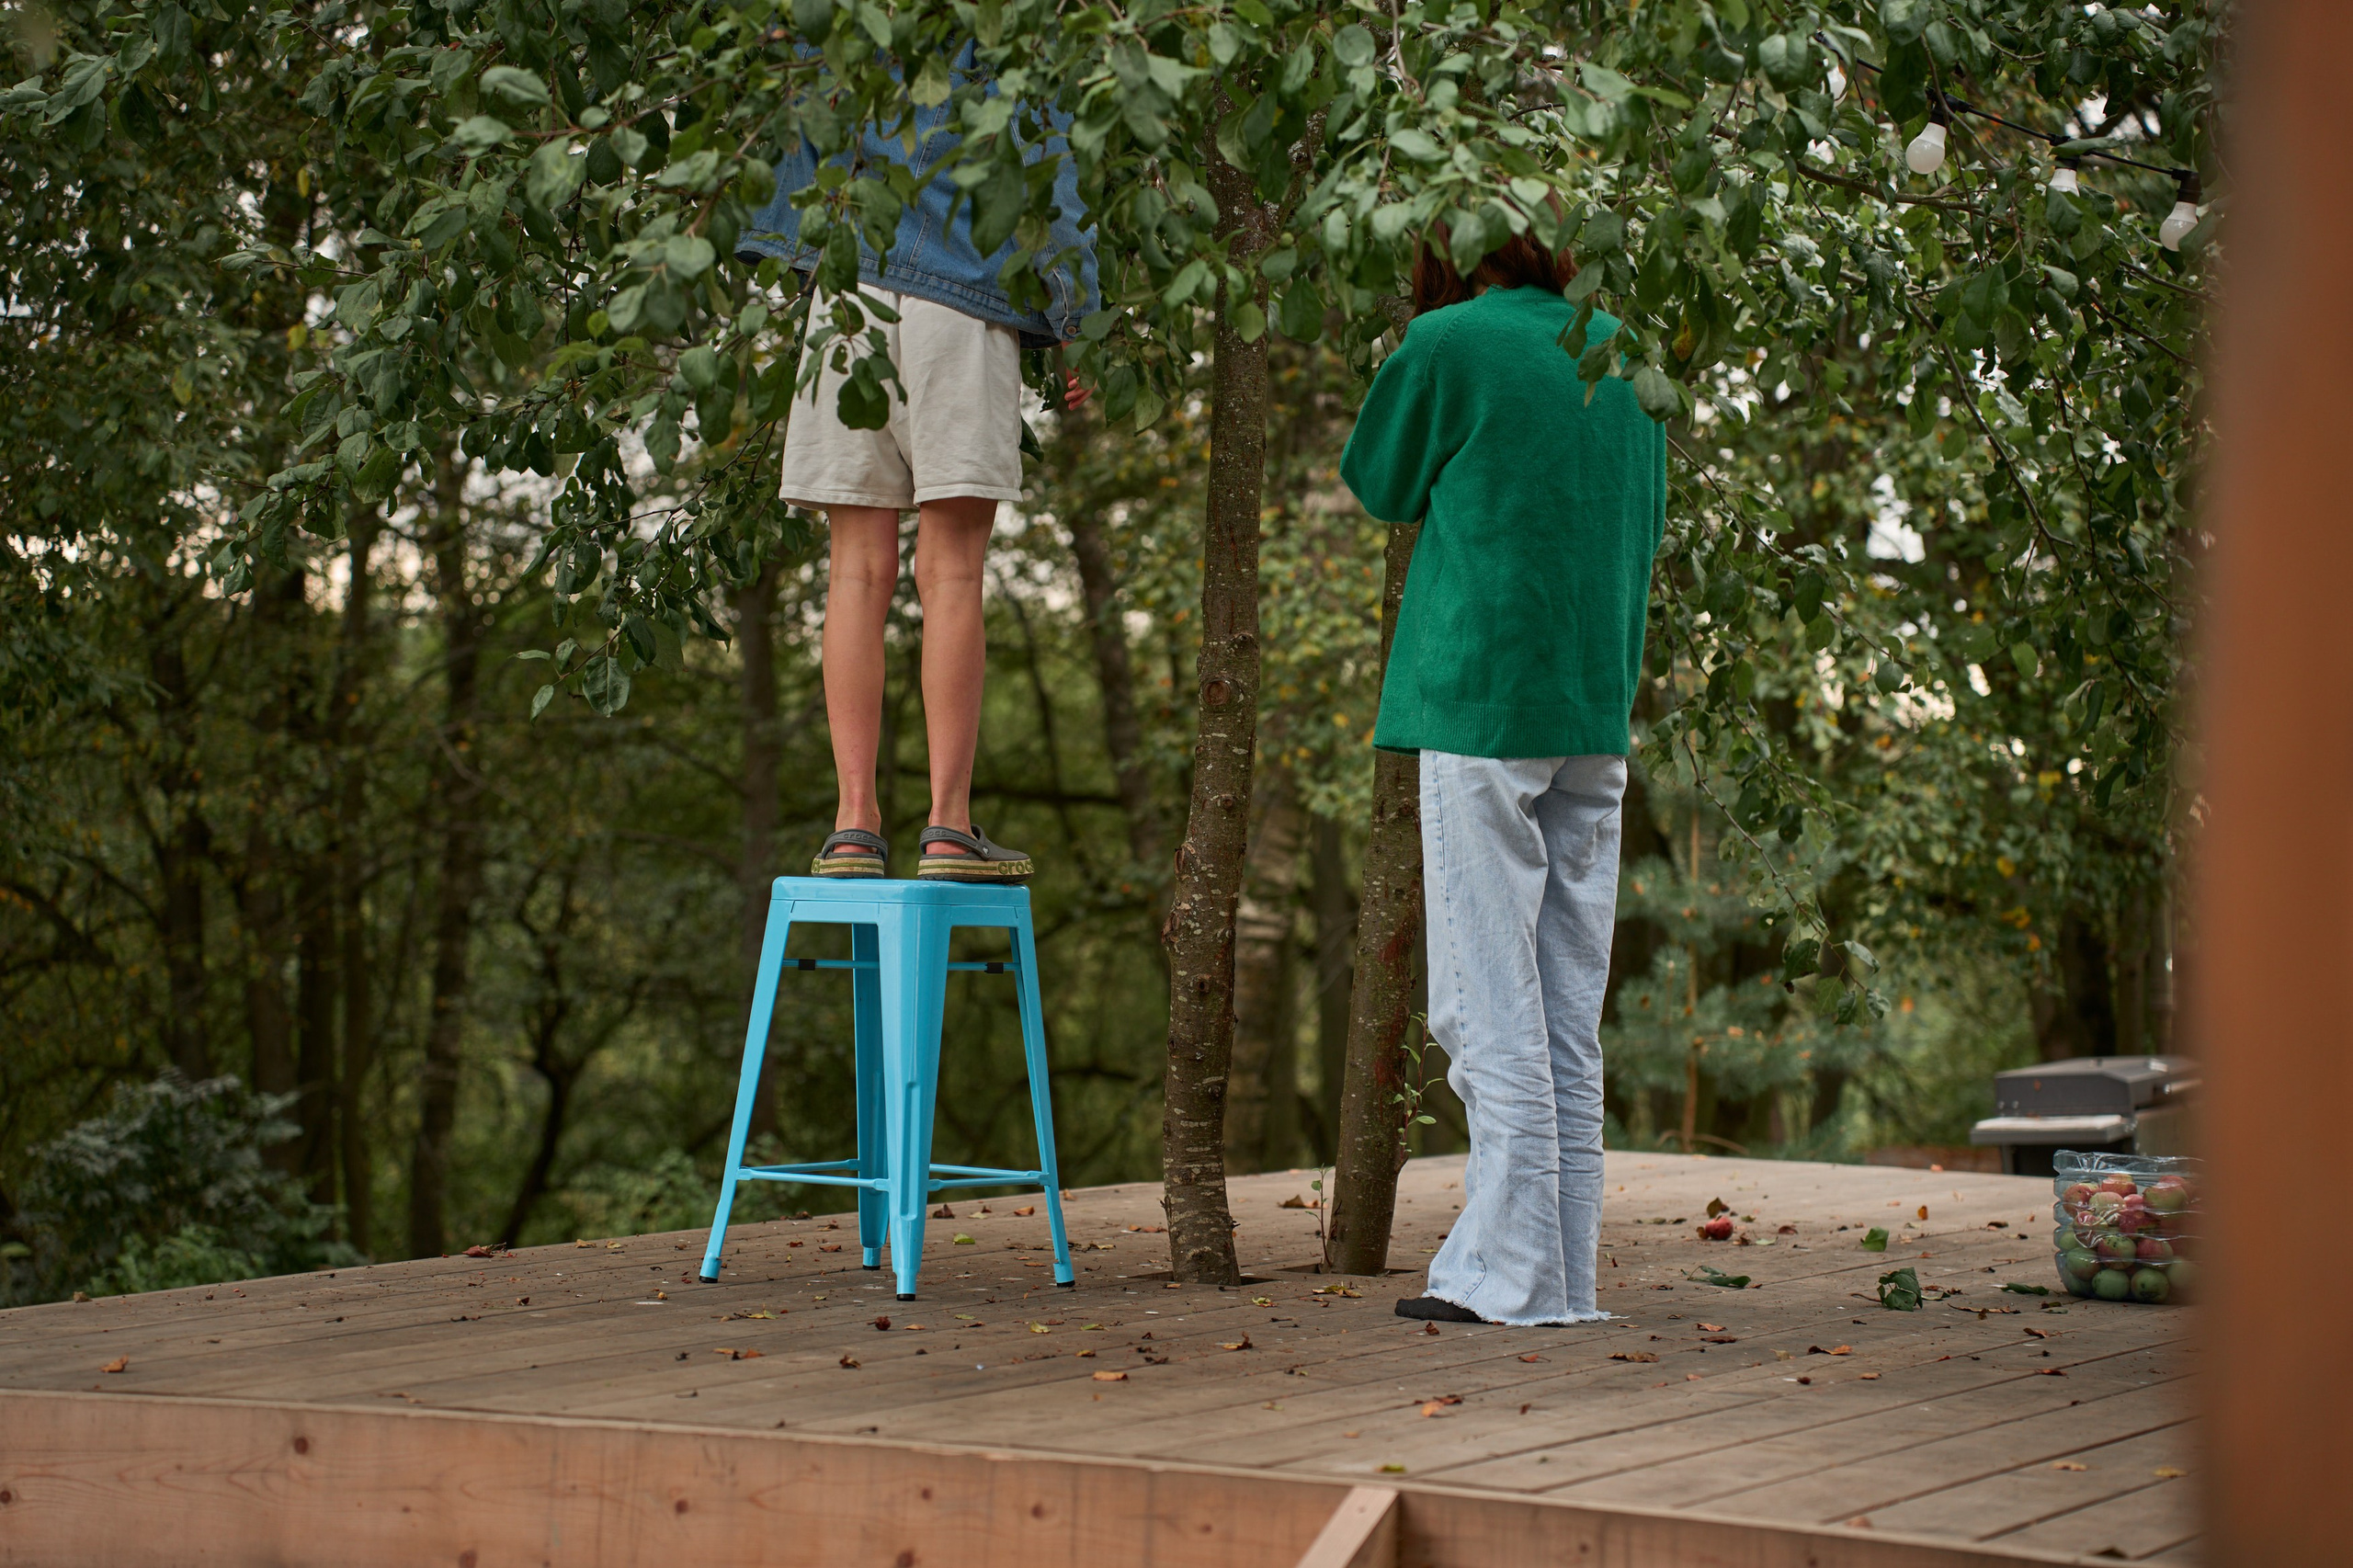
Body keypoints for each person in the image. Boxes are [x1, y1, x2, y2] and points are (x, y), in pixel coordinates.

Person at [1339, 231, 1665, 1326]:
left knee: (1483, 1003)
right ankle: (1562, 1276)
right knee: (1564, 1008)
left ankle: (1509, 1277)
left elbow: (1380, 481)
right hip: (1593, 701)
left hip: (1482, 698)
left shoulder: (1449, 340)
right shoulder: (1622, 349)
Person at [735, 62, 1097, 882]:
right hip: (965, 301)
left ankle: (853, 827)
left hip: (846, 301)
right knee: (952, 571)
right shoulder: (1013, 34)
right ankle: (949, 828)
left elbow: (790, 125)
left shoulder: (842, 26)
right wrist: (1075, 316)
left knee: (855, 571)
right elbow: (1048, 175)